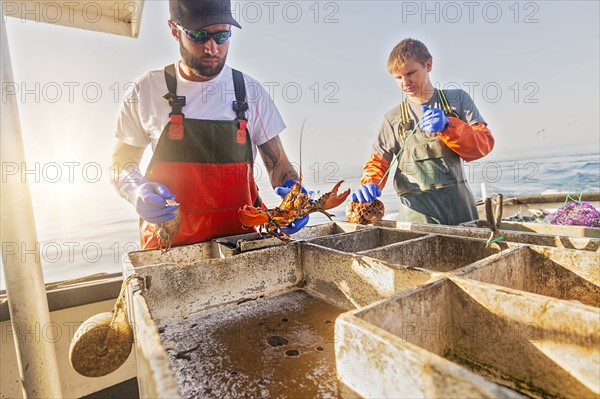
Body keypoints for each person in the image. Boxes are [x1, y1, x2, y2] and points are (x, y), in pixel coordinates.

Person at [111, 0, 309, 249]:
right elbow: (120, 163)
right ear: (174, 30)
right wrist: (134, 189)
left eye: (222, 35)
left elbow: (279, 168)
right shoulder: (147, 89)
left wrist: (295, 193)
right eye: (198, 35)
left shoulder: (250, 92)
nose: (212, 47)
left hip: (241, 244)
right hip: (169, 246)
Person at [352, 38, 494, 225]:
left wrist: (449, 127)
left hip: (460, 207)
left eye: (410, 73)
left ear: (428, 64)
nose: (405, 82)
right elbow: (378, 163)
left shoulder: (458, 100)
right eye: (398, 77)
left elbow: (483, 146)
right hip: (417, 214)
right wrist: (370, 183)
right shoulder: (392, 119)